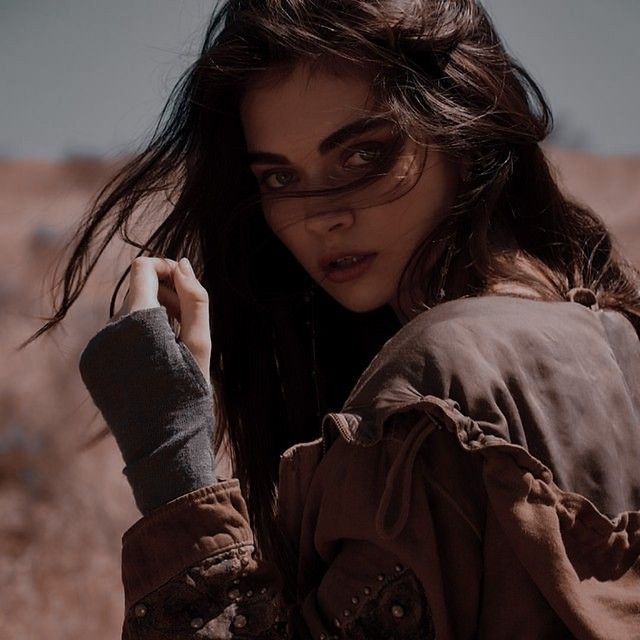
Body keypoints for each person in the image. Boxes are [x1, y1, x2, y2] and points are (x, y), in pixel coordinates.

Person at [23, 0, 640, 637]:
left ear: (463, 128)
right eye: (281, 178)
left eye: (361, 156)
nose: (320, 215)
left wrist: (171, 459)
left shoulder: (435, 379)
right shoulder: (616, 332)